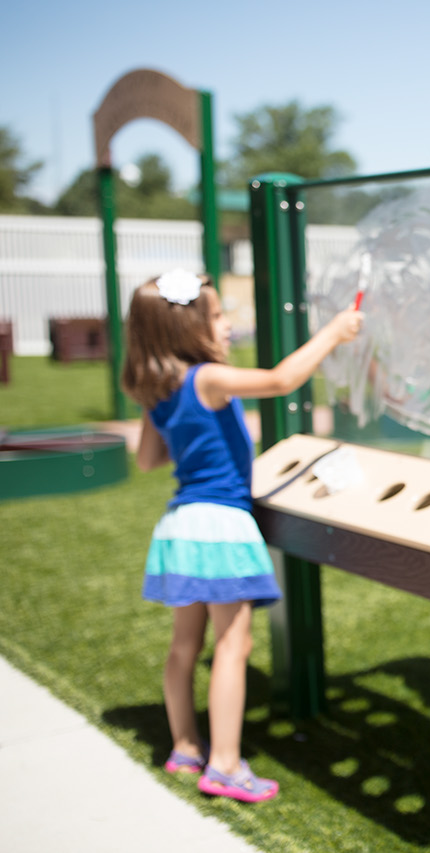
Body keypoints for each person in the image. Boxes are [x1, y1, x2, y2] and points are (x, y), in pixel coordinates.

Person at [122, 269, 362, 803]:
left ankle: (186, 746)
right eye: (216, 316)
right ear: (186, 327)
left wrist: (183, 430)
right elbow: (280, 381)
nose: (226, 324)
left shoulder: (158, 389)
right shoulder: (207, 378)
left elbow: (147, 459)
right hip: (220, 526)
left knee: (184, 645)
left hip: (180, 526)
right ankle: (226, 765)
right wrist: (334, 332)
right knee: (234, 645)